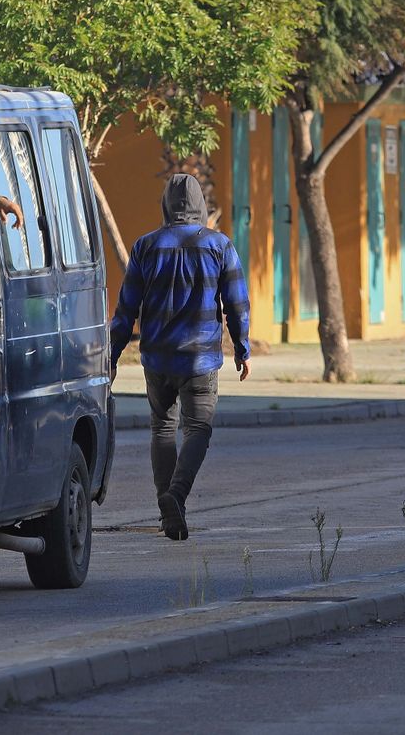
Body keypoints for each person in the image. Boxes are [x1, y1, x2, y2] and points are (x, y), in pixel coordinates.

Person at [109, 174, 251, 541]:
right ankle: (176, 495)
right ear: (201, 206)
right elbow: (236, 303)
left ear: (166, 206)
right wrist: (242, 347)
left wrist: (111, 355)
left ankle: (167, 512)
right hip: (200, 361)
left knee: (162, 428)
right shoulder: (219, 246)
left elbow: (126, 309)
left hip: (157, 360)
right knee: (198, 429)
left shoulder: (145, 247)